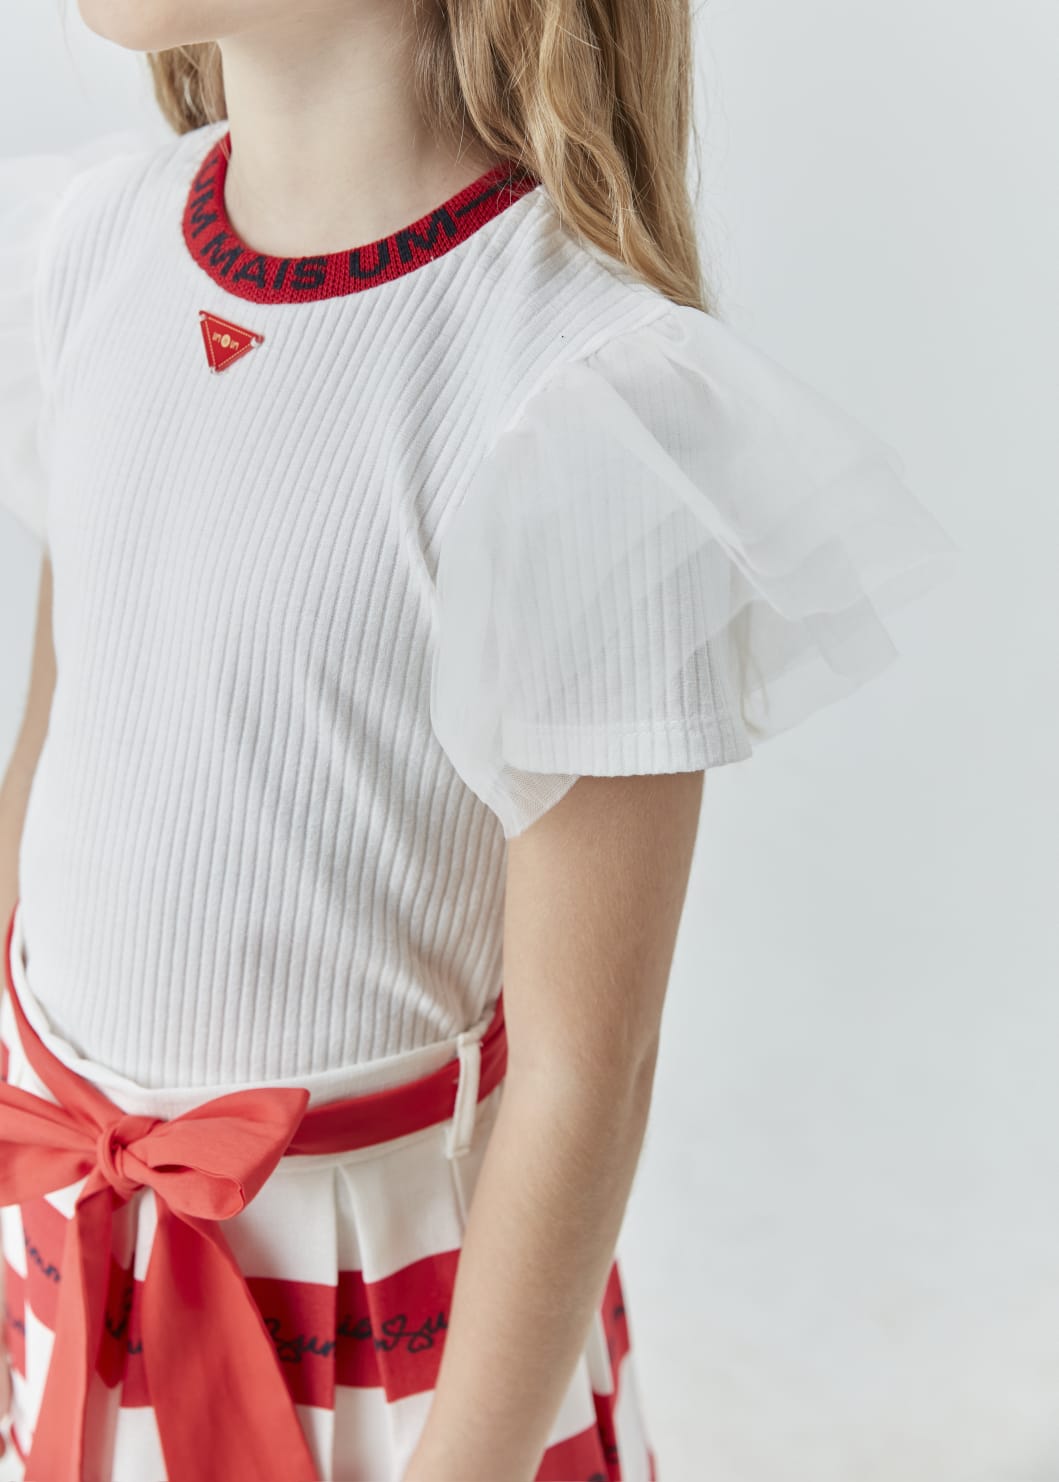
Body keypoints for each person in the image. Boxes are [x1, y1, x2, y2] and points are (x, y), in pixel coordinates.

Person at [0, 1, 958, 1478]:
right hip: (65, 1248)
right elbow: (50, 746)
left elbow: (587, 1072)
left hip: (394, 1350)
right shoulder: (93, 247)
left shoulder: (578, 404)